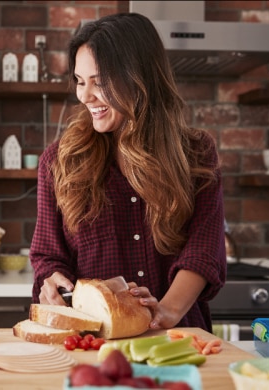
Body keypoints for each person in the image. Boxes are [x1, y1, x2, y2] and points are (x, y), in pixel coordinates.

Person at [30, 13, 226, 333]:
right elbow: (48, 255)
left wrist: (166, 311)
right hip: (92, 340)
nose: (84, 95)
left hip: (175, 338)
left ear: (138, 77)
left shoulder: (197, 154)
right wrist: (51, 281)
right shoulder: (58, 162)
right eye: (80, 81)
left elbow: (203, 250)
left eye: (100, 81)